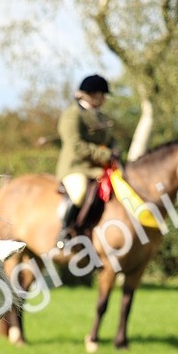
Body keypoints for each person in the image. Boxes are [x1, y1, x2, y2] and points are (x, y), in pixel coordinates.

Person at [55, 74, 116, 243]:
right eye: (101, 94)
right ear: (90, 94)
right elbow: (76, 145)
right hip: (76, 167)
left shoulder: (102, 117)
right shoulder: (72, 115)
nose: (103, 98)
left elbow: (111, 140)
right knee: (79, 193)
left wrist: (116, 150)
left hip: (100, 168)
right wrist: (106, 154)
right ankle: (65, 231)